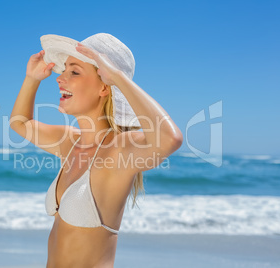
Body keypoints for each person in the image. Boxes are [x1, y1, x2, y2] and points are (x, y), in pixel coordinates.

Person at [10, 33, 183, 268]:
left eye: (74, 71)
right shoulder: (70, 142)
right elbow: (20, 124)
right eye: (64, 70)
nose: (60, 78)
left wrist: (118, 78)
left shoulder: (120, 150)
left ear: (104, 86)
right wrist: (31, 79)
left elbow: (170, 139)